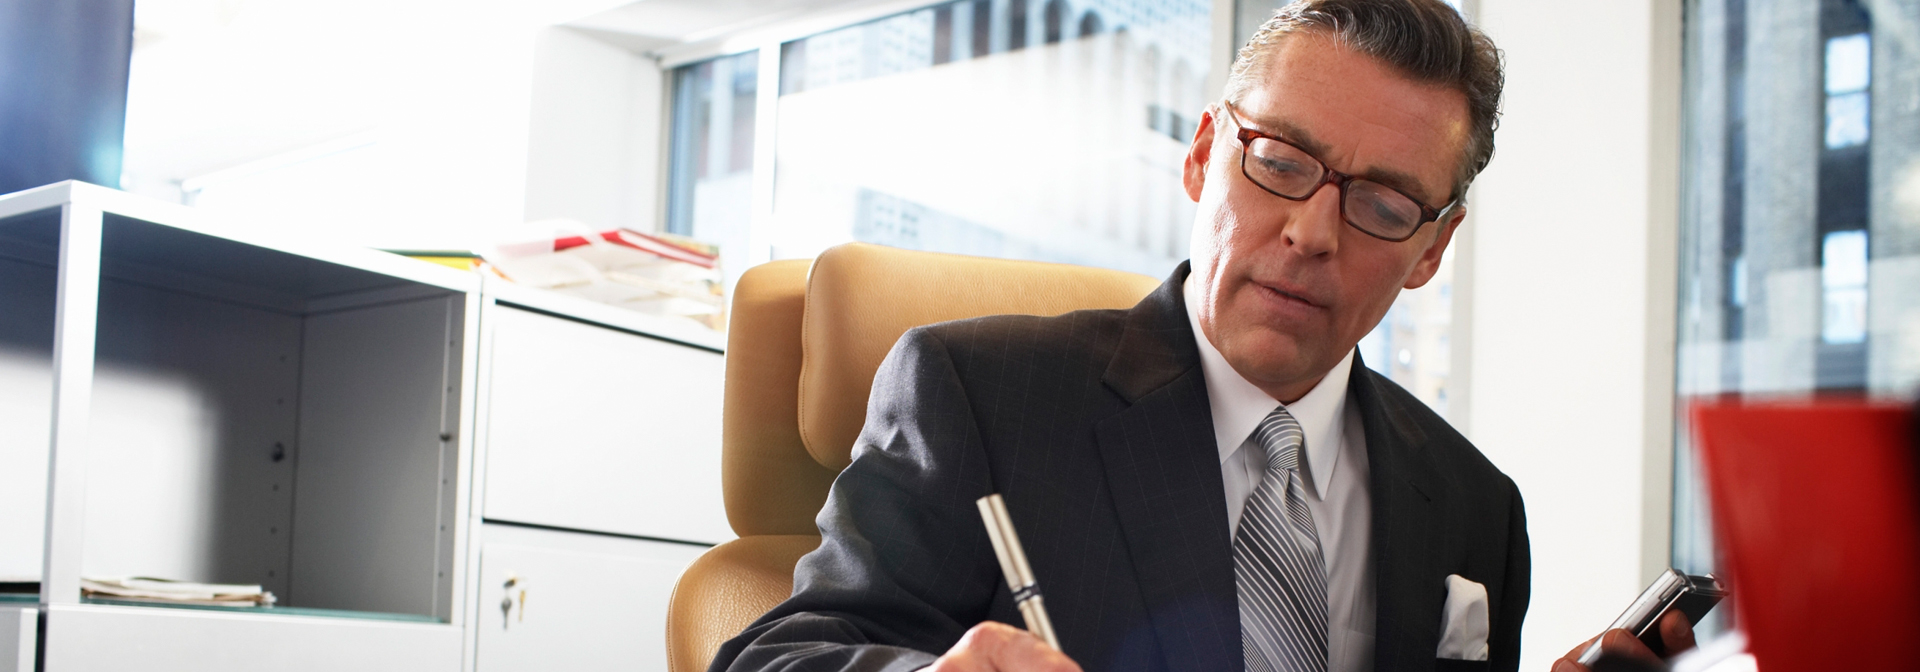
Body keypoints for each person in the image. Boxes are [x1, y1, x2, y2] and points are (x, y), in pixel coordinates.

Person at [711, 1, 1573, 671]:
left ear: (1432, 250)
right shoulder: (975, 396)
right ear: (1202, 155)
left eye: (1382, 206)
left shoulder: (1477, 507)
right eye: (1279, 162)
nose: (1311, 234)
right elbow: (777, 657)